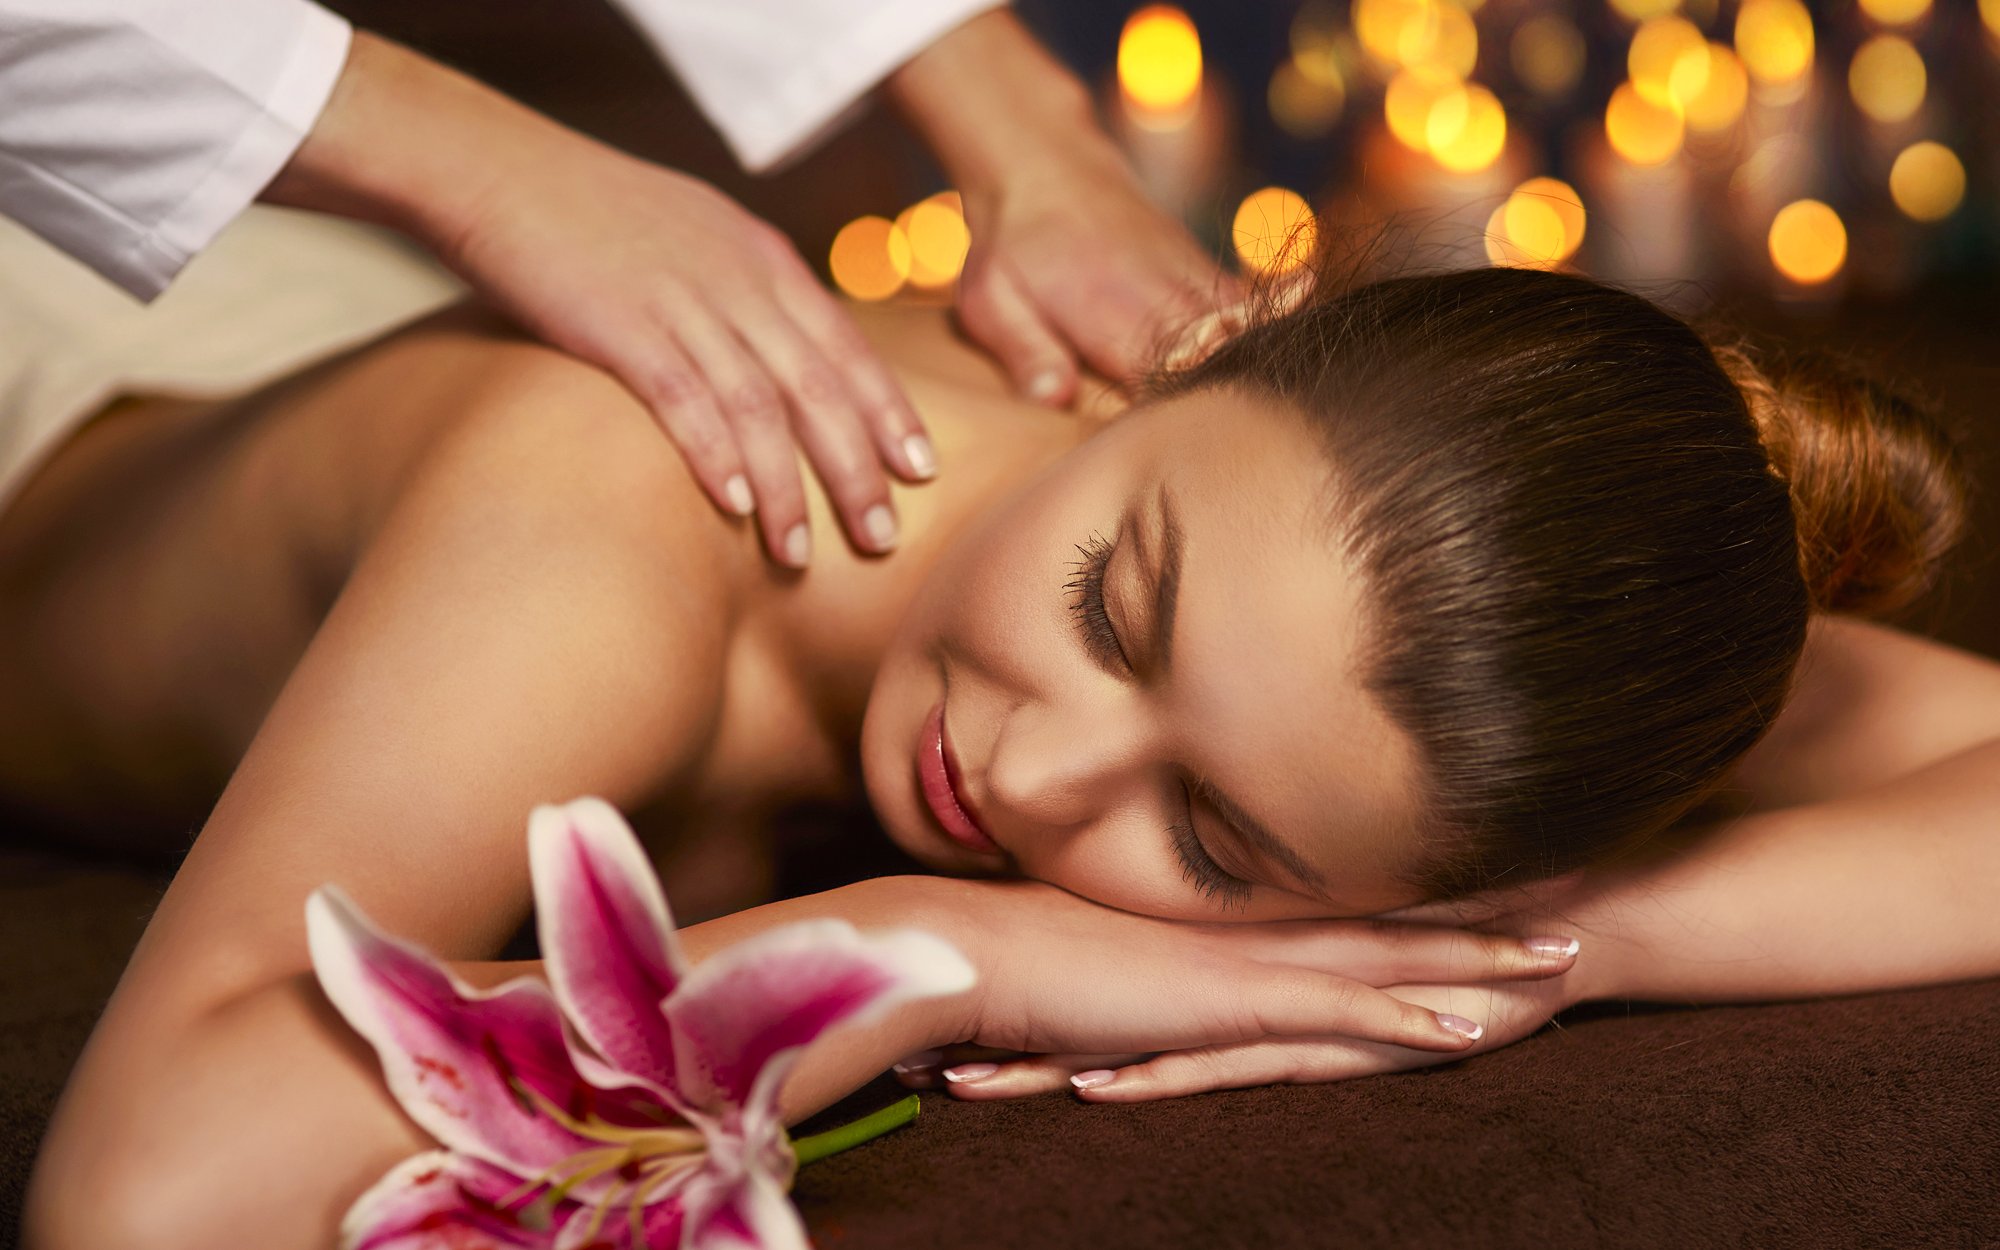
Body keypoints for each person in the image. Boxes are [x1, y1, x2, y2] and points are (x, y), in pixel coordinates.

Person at [13, 219, 2000, 1250]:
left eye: (1218, 845)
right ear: (1214, 334)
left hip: (314, 336)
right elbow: (144, 1199)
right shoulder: (603, 526)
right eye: (1111, 606)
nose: (1038, 780)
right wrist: (964, 948)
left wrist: (1533, 962)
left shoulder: (1365, 603)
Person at [0, 2, 1231, 564]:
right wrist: (477, 167)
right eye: (1109, 610)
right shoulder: (580, 503)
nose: (1035, 777)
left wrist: (1023, 128)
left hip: (281, 309)